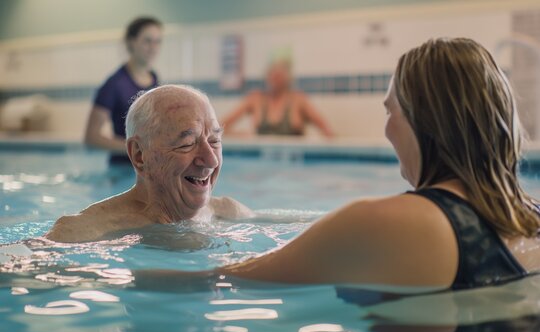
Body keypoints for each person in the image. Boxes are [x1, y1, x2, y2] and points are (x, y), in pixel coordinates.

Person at [139, 38, 540, 290]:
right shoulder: (531, 219)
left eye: (390, 112)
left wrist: (96, 278)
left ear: (423, 120)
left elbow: (220, 281)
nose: (386, 131)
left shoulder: (385, 222)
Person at [46, 85, 253, 243]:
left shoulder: (229, 213)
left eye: (215, 141)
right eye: (188, 144)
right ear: (139, 155)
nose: (211, 160)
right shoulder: (84, 231)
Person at [85, 17, 162, 165]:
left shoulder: (154, 79)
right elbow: (91, 137)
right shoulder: (114, 84)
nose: (153, 47)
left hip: (148, 166)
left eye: (157, 41)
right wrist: (138, 148)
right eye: (147, 41)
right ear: (131, 42)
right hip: (122, 168)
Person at [221, 59, 334, 137]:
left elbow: (327, 131)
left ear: (288, 79)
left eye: (279, 75)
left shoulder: (299, 100)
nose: (275, 79)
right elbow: (220, 127)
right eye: (272, 74)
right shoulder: (255, 99)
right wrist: (241, 135)